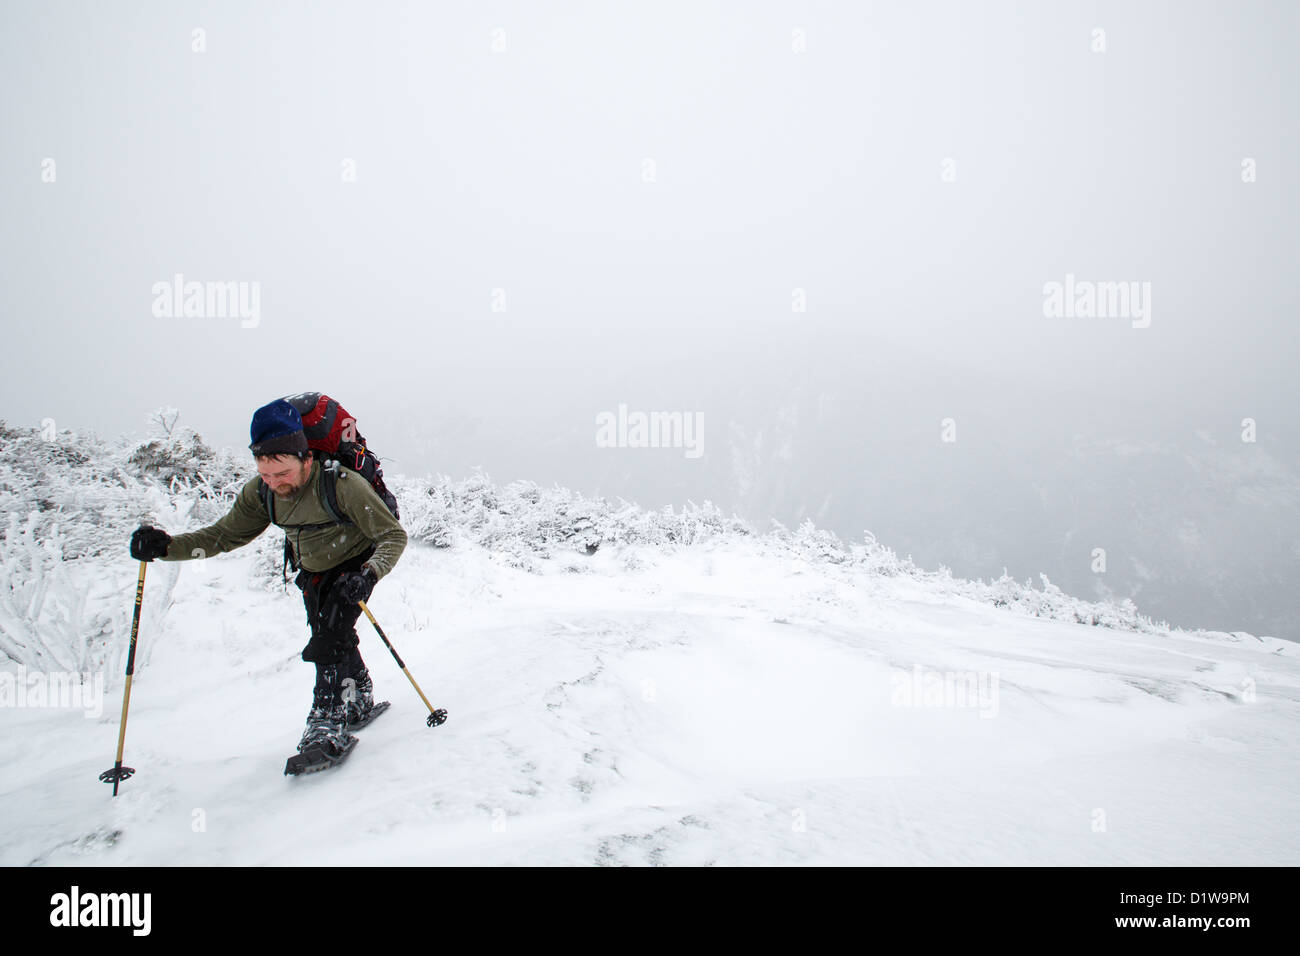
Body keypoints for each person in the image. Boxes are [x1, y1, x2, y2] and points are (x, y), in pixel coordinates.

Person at [128, 398, 408, 759]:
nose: (275, 483)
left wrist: (368, 576)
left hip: (356, 558)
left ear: (306, 458)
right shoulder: (260, 493)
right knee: (324, 630)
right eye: (266, 475)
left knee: (330, 634)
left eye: (283, 473)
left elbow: (392, 536)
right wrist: (166, 548)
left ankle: (326, 721)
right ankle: (358, 694)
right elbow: (223, 536)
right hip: (313, 567)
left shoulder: (342, 485)